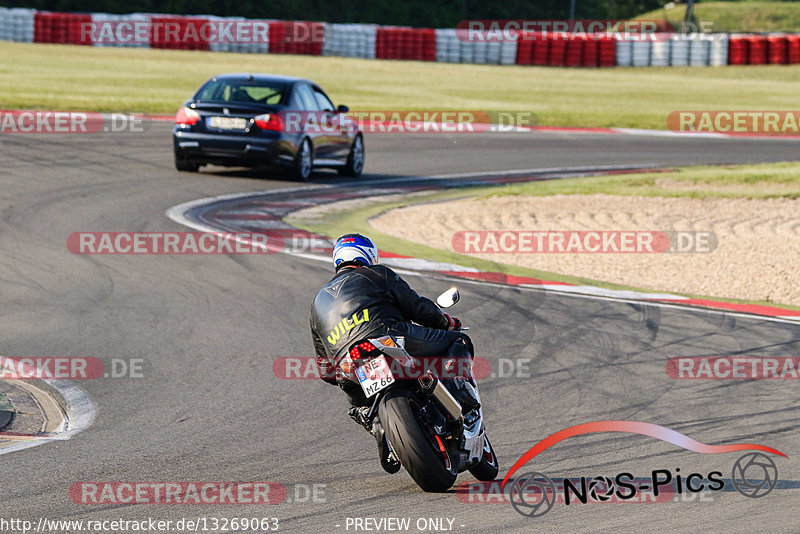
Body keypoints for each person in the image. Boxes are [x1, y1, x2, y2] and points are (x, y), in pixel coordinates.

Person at [309, 233, 479, 473]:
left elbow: (326, 371)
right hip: (390, 338)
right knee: (459, 340)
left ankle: (377, 423)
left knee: (360, 407)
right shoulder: (377, 274)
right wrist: (446, 322)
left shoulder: (316, 303)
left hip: (349, 366)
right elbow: (418, 307)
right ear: (370, 256)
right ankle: (462, 398)